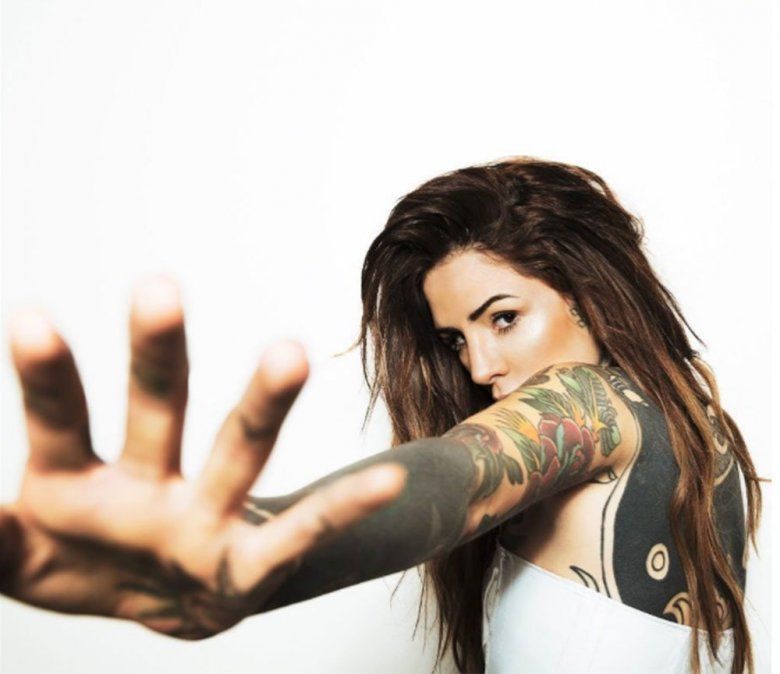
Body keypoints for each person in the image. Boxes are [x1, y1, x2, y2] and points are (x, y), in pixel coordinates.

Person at [0, 157, 764, 673]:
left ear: (588, 297)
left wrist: (245, 537)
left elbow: (456, 475)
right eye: (455, 339)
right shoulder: (699, 425)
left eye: (503, 318)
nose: (479, 367)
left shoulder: (594, 402)